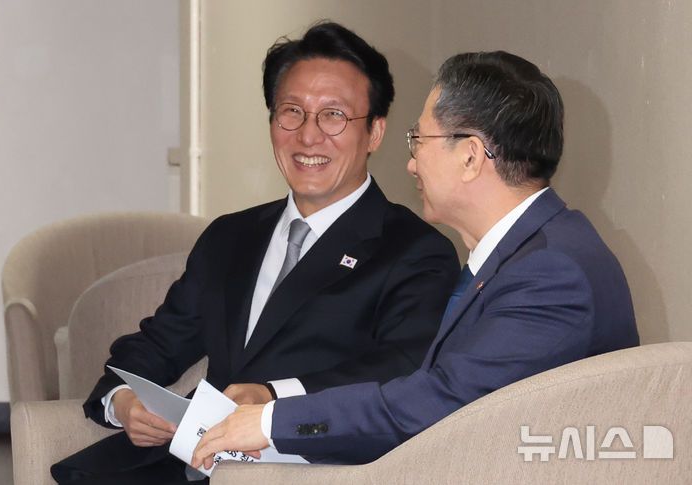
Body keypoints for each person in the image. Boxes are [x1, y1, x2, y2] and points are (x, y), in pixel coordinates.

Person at [51, 22, 459, 483]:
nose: (308, 136)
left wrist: (272, 397)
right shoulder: (230, 236)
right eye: (291, 112)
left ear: (375, 132)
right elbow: (159, 344)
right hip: (192, 465)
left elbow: (401, 370)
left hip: (310, 469)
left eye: (333, 115)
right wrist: (122, 398)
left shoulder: (415, 251)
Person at [191, 51, 640, 467]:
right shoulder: (536, 249)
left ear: (470, 157)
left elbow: (440, 402)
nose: (410, 164)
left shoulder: (550, 272)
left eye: (418, 140)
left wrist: (272, 421)